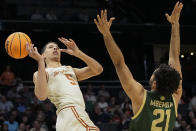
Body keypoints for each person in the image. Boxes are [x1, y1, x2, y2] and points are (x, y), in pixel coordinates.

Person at [94, 1, 183, 131]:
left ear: (154, 84)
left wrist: (106, 34)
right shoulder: (175, 98)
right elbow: (175, 57)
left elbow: (120, 64)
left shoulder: (141, 97)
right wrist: (175, 24)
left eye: (154, 73)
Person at [26, 37, 103, 131]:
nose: (55, 48)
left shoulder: (70, 69)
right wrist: (40, 62)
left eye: (57, 47)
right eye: (50, 47)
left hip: (71, 116)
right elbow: (41, 96)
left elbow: (98, 69)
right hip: (70, 112)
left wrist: (78, 53)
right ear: (43, 55)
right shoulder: (42, 72)